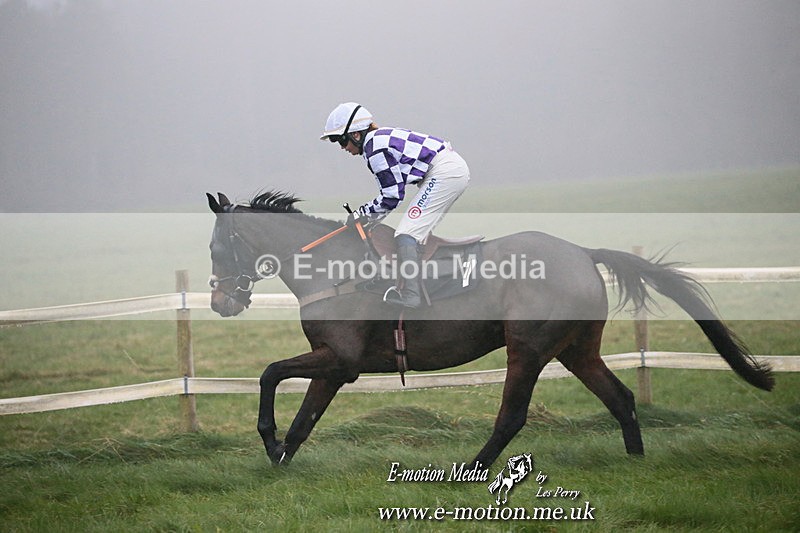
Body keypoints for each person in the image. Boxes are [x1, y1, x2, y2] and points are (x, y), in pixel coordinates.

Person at [320, 102, 471, 308]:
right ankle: (427, 285)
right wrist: (367, 216)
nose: (341, 147)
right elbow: (391, 195)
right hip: (446, 170)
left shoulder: (375, 148)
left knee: (406, 234)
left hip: (444, 173)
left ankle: (411, 295)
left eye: (340, 139)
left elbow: (392, 196)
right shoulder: (377, 141)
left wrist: (363, 214)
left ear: (356, 135)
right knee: (415, 232)